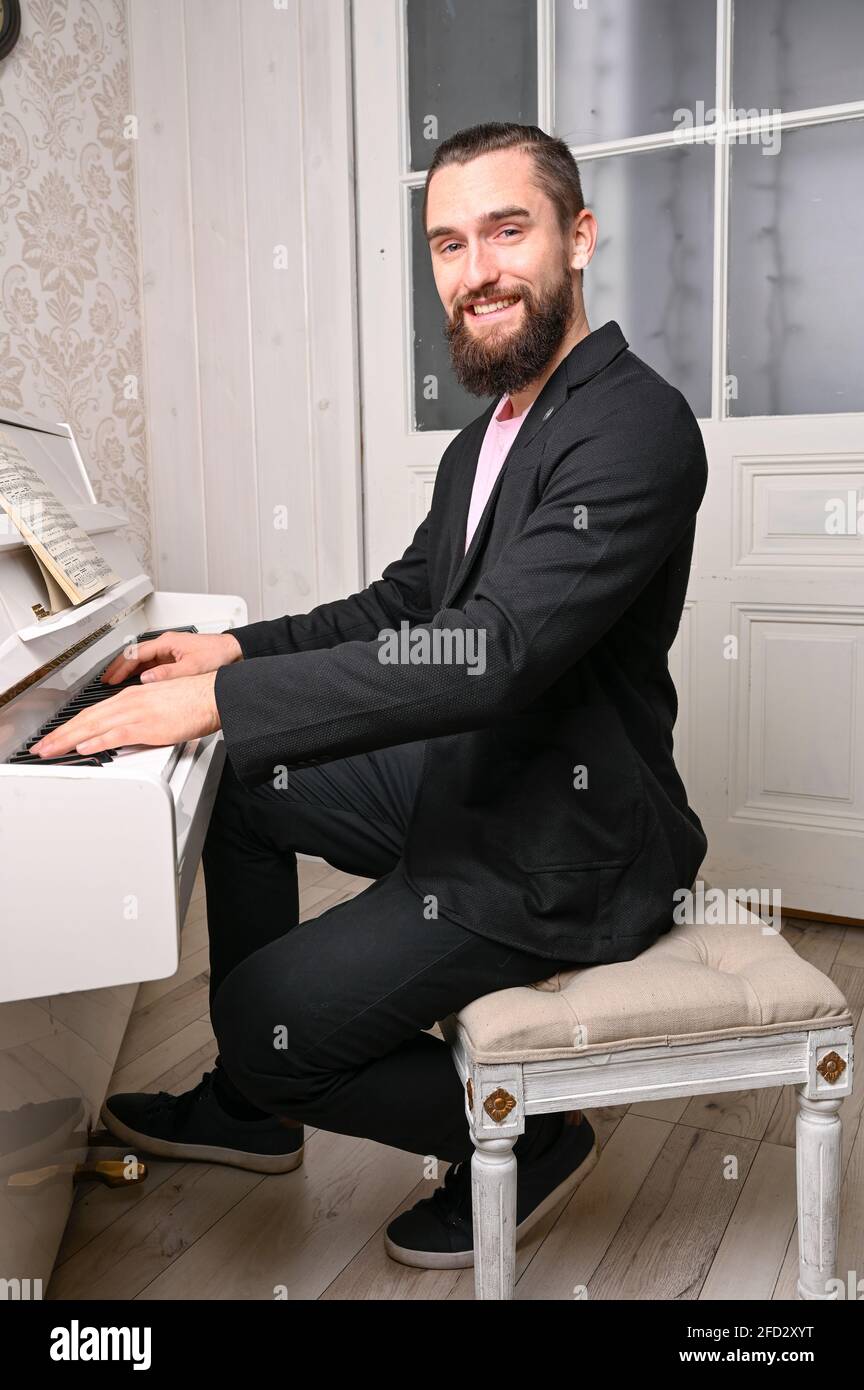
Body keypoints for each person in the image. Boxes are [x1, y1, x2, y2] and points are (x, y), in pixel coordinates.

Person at [32, 122, 709, 1269]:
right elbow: (405, 604)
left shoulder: (636, 424)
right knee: (248, 784)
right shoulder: (487, 437)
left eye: (508, 230)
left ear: (579, 239)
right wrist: (230, 654)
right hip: (481, 781)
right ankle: (254, 1115)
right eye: (449, 243)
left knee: (259, 1022)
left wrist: (224, 708)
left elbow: (488, 650)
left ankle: (532, 1137)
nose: (476, 269)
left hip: (566, 842)